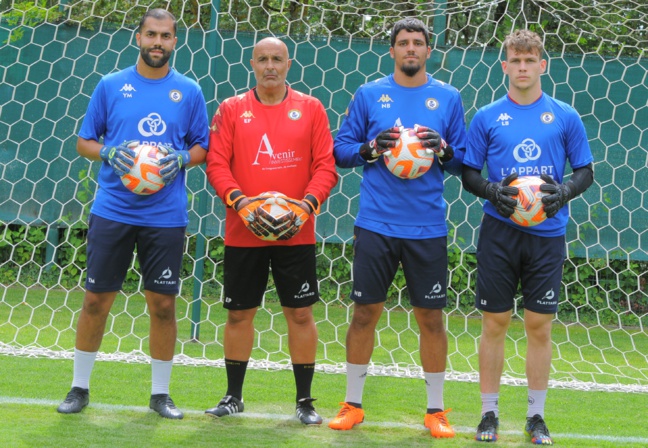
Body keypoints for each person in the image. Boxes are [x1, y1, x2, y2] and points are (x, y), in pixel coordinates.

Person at [57, 9, 209, 419]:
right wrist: (108, 151)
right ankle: (79, 387)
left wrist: (179, 159)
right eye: (151, 35)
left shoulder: (189, 91)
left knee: (162, 305)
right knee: (95, 301)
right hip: (113, 210)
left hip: (165, 215)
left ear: (175, 42)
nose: (158, 42)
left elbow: (202, 147)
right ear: (137, 37)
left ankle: (161, 394)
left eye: (166, 36)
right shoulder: (111, 85)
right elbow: (84, 142)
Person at [329, 18, 467, 438]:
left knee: (431, 318)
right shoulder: (370, 94)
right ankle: (352, 404)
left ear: (429, 51)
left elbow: (462, 160)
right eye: (403, 43)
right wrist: (372, 148)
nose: (411, 49)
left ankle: (436, 411)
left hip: (427, 227)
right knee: (364, 312)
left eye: (418, 43)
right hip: (375, 224)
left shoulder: (447, 97)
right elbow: (341, 149)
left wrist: (442, 148)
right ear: (391, 51)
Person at [462, 29, 594, 445]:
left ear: (542, 65)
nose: (522, 67)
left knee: (539, 325)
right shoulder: (486, 116)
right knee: (495, 321)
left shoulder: (565, 116)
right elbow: (468, 173)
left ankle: (536, 417)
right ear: (505, 66)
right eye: (514, 60)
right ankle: (488, 413)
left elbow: (585, 171)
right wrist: (492, 192)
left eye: (529, 59)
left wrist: (565, 194)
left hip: (547, 234)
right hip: (499, 232)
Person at [204, 37, 338, 425]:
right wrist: (241, 204)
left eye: (276, 59)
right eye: (262, 59)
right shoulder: (231, 109)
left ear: (289, 64)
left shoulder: (310, 108)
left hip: (295, 232)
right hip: (244, 230)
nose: (270, 66)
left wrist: (304, 207)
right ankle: (232, 396)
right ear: (252, 63)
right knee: (238, 315)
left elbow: (325, 166)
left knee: (300, 315)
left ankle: (305, 402)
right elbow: (216, 162)